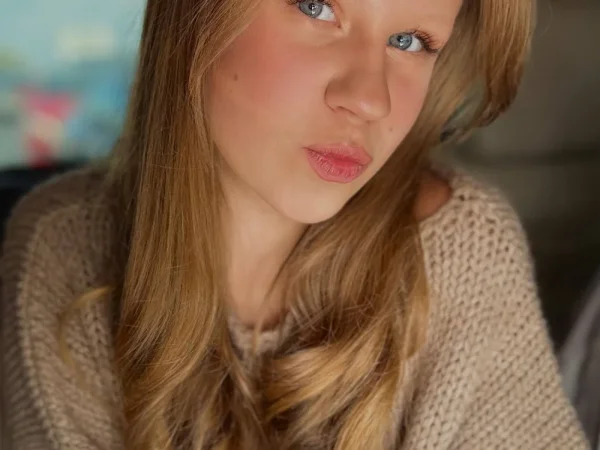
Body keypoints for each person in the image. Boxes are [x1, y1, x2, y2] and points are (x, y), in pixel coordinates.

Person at [0, 0, 590, 448]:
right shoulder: (62, 252)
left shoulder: (462, 253)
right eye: (317, 6)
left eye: (410, 41)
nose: (370, 99)